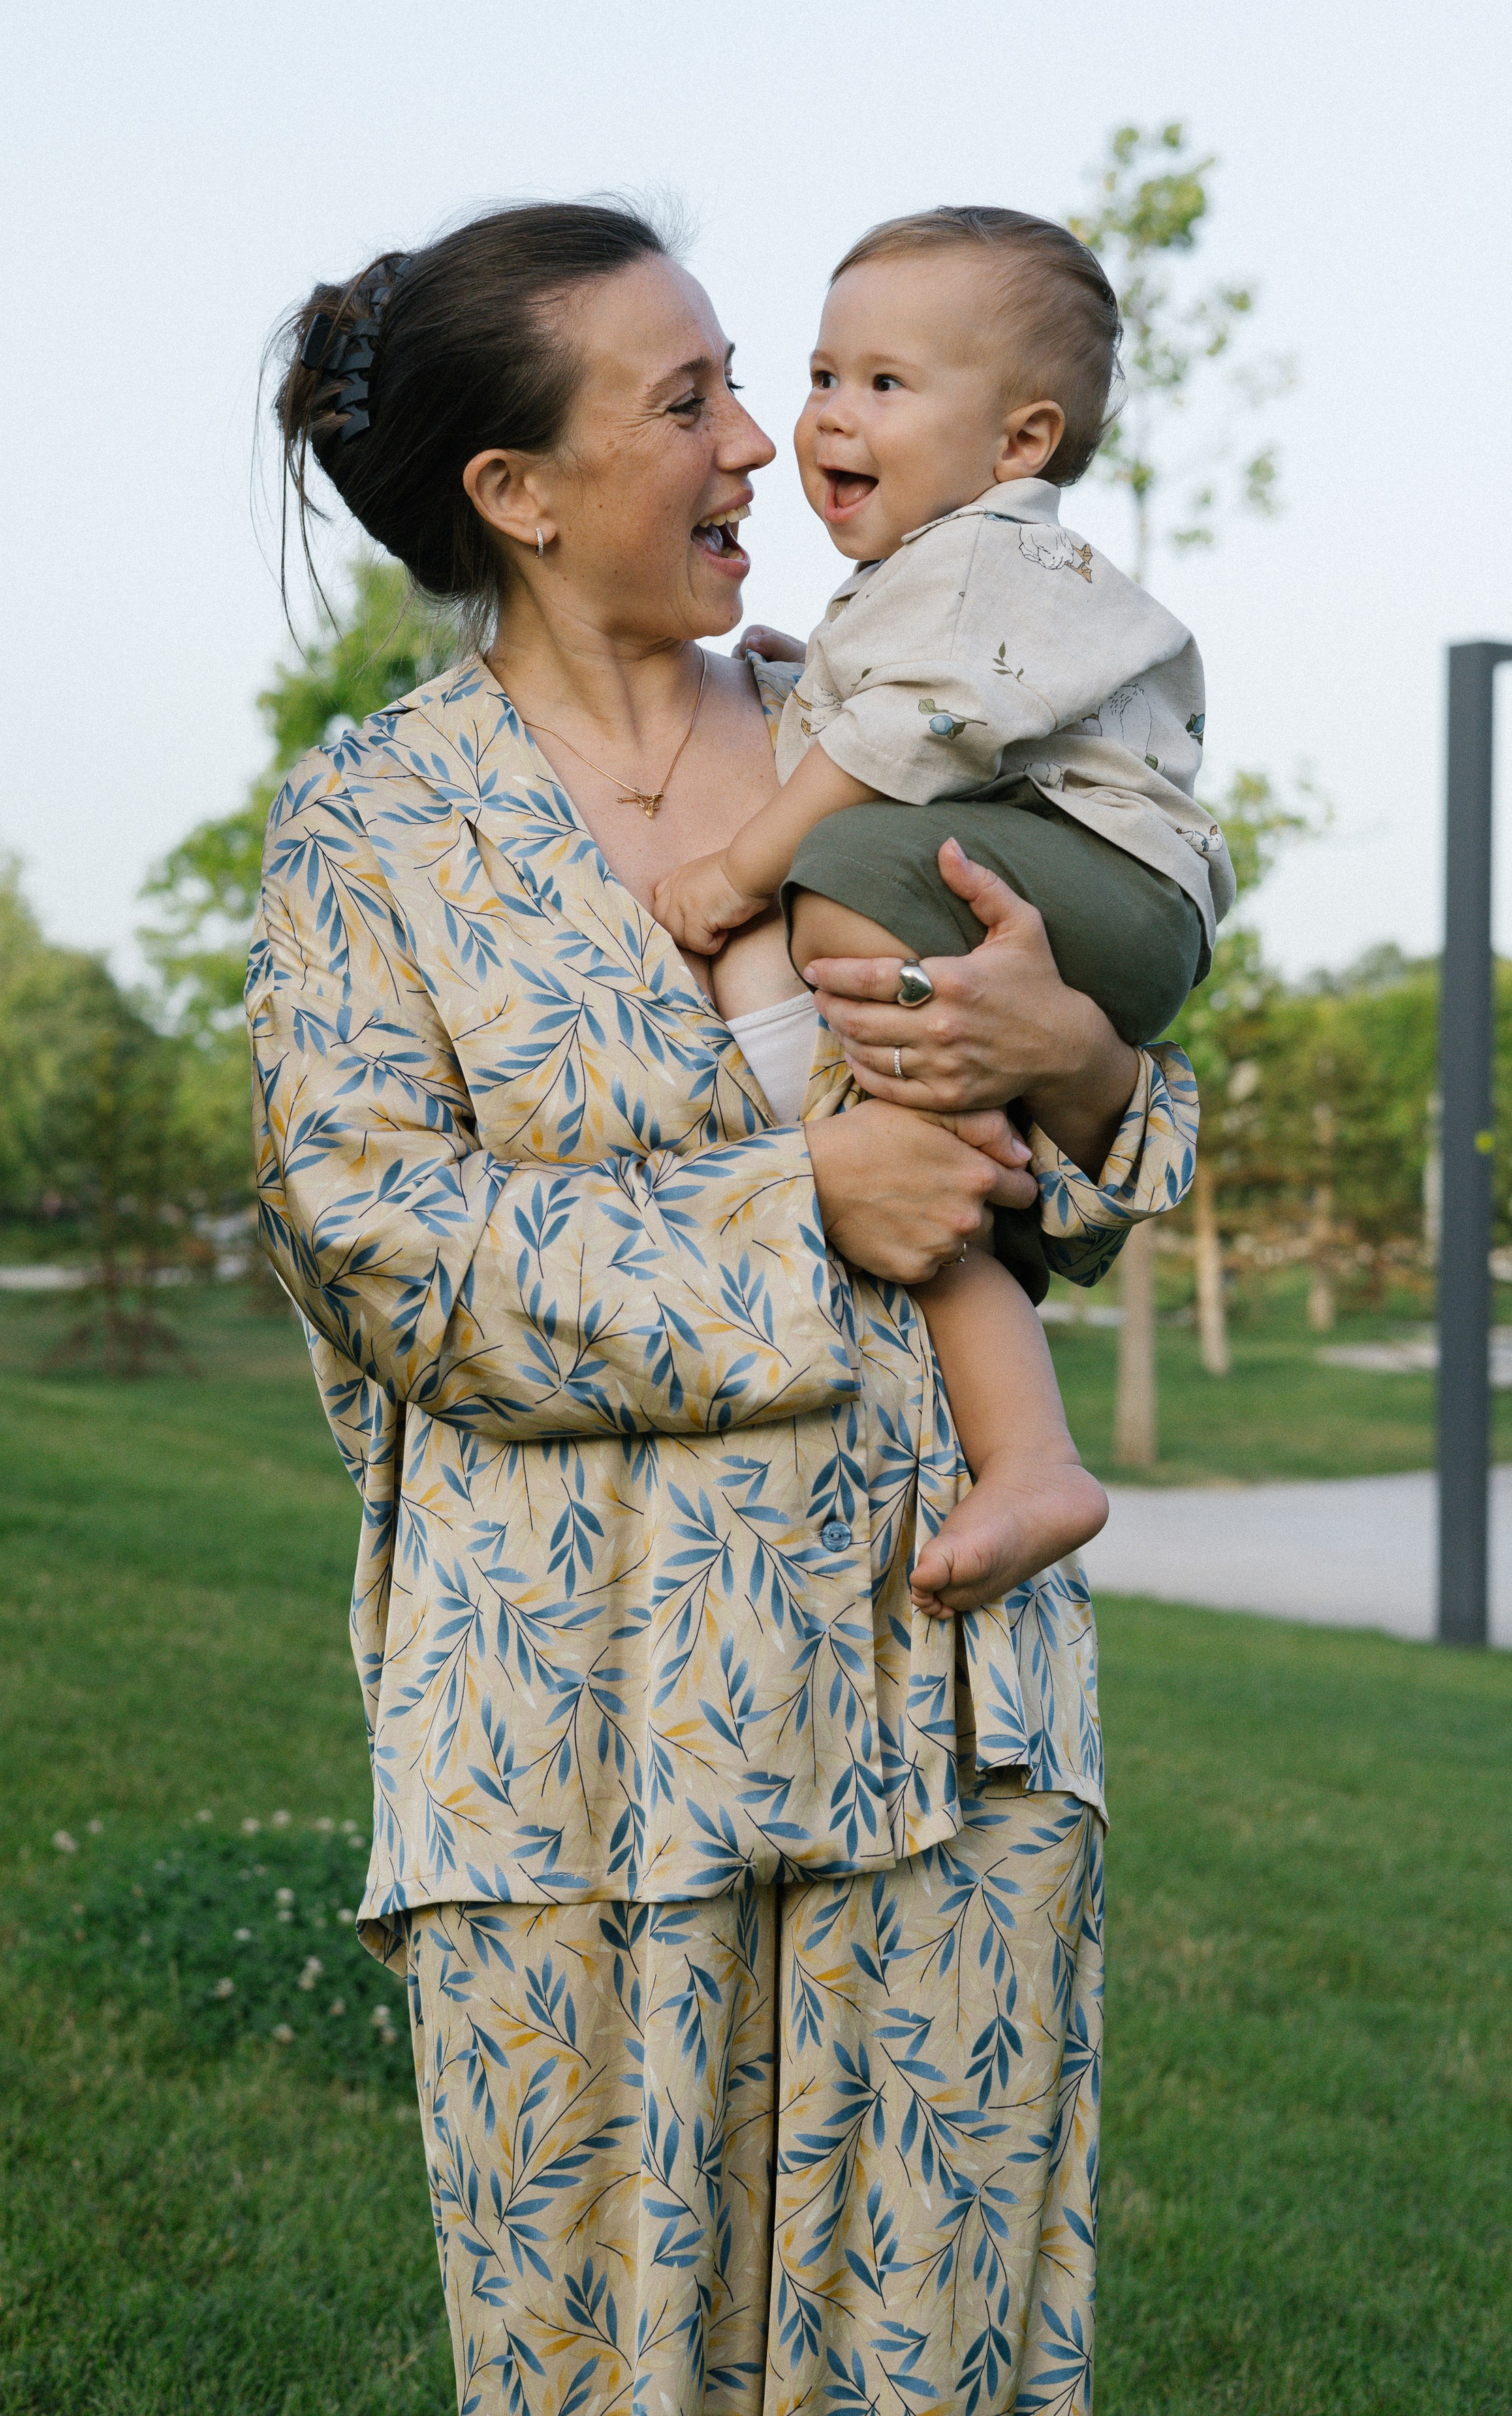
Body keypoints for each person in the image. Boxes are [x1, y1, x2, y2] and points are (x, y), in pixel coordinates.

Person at [249, 200, 1199, 2413]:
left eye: (748, 377)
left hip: (940, 1735)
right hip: (560, 1767)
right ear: (520, 491)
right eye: (687, 401)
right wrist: (808, 1209)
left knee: (931, 2379)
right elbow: (389, 1251)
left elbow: (1107, 1138)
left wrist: (1073, 1061)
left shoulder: (893, 725)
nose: (765, 439)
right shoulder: (372, 831)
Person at [652, 204, 1233, 1618]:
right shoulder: (939, 577)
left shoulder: (979, 559)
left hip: (1092, 884)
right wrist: (824, 680)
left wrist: (736, 872)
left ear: (1019, 443)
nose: (818, 420)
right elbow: (901, 703)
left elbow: (904, 735)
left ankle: (926, 1130)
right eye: (820, 376)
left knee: (826, 881)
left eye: (885, 385)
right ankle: (1025, 1444)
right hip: (1097, 882)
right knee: (930, 1179)